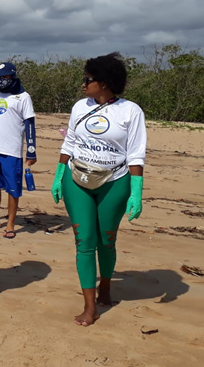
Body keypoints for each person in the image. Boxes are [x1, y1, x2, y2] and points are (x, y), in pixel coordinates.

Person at [51, 53, 146, 327]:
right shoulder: (80, 107)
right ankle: (89, 306)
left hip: (114, 181)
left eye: (88, 80)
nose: (83, 84)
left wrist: (136, 191)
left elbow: (136, 155)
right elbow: (69, 143)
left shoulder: (131, 111)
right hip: (76, 179)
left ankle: (105, 284)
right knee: (85, 241)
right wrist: (59, 175)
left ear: (104, 83)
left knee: (106, 239)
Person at [0, 62, 37, 238]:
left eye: (4, 77)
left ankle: (11, 223)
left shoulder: (23, 97)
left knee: (13, 188)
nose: (0, 80)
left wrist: (31, 150)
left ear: (12, 77)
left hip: (12, 151)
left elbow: (30, 124)